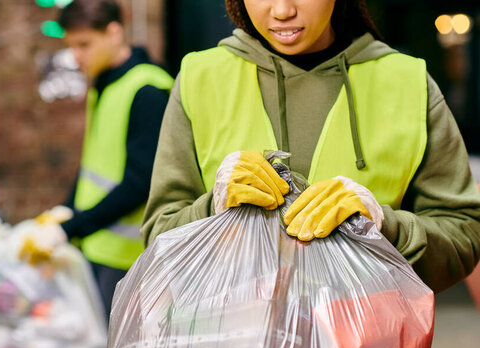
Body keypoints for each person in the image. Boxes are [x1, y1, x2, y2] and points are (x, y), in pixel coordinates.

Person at [142, 0, 480, 293]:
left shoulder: (407, 83)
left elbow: (464, 237)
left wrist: (384, 226)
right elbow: (159, 239)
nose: (282, 10)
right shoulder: (201, 78)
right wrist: (212, 210)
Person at [21, 0, 173, 319]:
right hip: (97, 246)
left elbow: (139, 183)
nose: (76, 56)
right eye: (71, 46)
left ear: (114, 32)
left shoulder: (148, 89)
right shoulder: (104, 83)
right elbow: (95, 162)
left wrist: (71, 227)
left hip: (129, 258)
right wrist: (67, 208)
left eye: (84, 44)